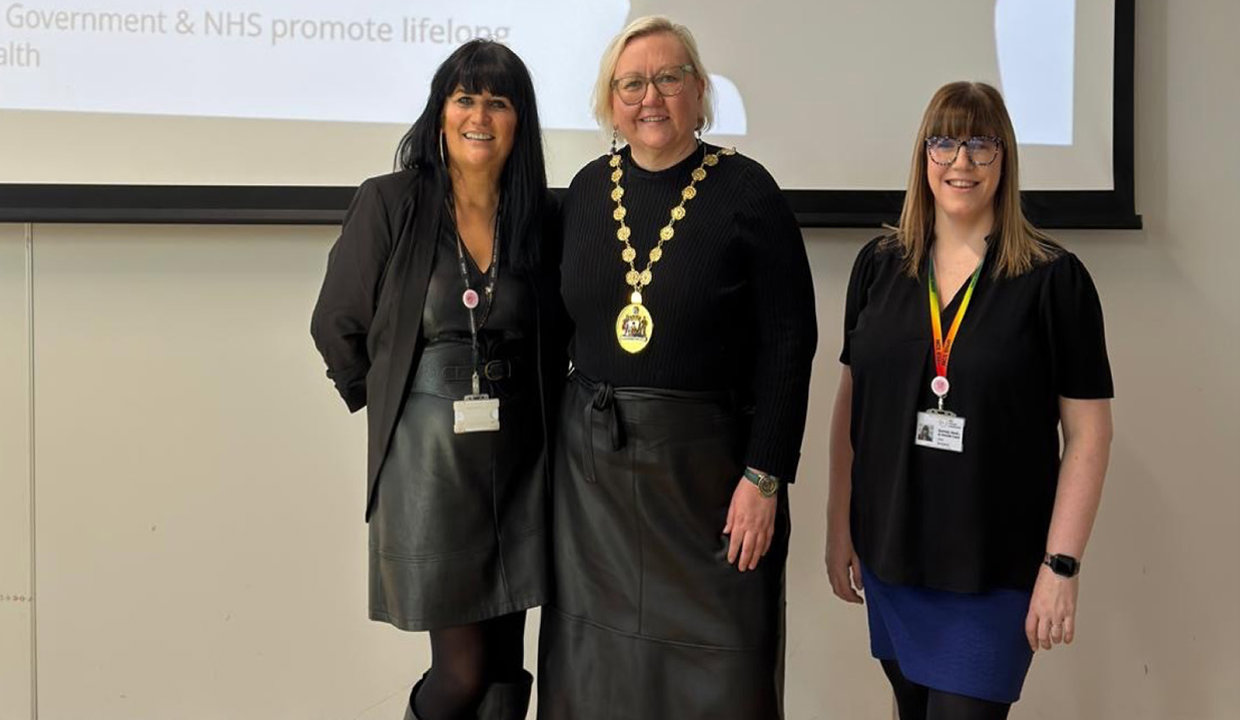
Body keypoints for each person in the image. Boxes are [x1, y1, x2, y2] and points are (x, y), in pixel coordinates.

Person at [537, 16, 817, 719]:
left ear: (699, 91)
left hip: (711, 477)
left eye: (668, 78)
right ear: (610, 101)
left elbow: (791, 343)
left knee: (725, 676)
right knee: (594, 676)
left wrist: (765, 476)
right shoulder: (584, 191)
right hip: (592, 481)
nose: (650, 97)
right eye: (631, 83)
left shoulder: (747, 192)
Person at [825, 81, 1114, 719]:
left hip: (995, 568)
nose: (961, 162)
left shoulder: (1053, 281)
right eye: (945, 142)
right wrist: (837, 524)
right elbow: (852, 406)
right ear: (922, 155)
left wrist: (1061, 567)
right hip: (892, 556)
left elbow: (1091, 435)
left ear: (1005, 158)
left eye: (981, 144)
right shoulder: (879, 266)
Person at [310, 40, 560, 720]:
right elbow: (336, 322)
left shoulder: (541, 216)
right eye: (465, 98)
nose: (480, 115)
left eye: (499, 102)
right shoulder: (390, 202)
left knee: (508, 666)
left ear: (520, 120)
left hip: (521, 459)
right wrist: (396, 403)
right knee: (464, 670)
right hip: (428, 466)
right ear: (441, 112)